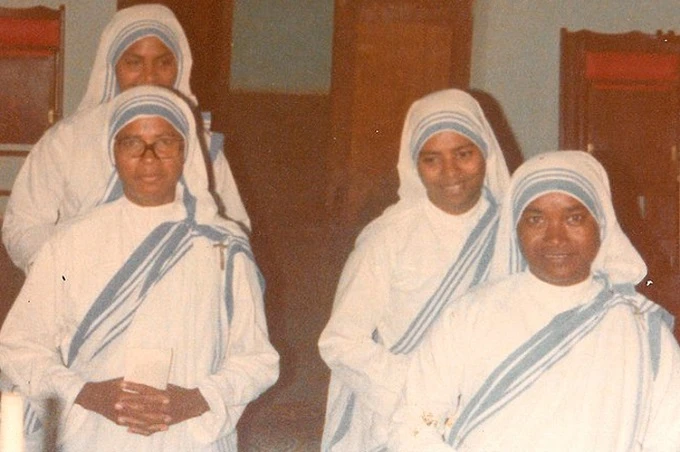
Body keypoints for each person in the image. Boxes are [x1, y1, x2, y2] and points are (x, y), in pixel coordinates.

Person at [0, 86, 279, 451]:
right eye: (132, 143)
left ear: (185, 151)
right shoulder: (70, 242)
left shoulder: (222, 245)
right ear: (113, 153)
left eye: (164, 142)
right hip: (94, 436)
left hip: (191, 438)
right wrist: (85, 393)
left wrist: (198, 399)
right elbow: (19, 346)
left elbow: (258, 360)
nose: (149, 158)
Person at [389, 151, 680, 451]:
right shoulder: (470, 314)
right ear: (516, 227)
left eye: (574, 218)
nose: (555, 238)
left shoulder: (641, 328)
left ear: (601, 224)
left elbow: (671, 434)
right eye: (536, 219)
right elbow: (412, 422)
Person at [318, 89, 510, 451]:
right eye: (432, 159)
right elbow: (341, 342)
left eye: (464, 154)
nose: (450, 172)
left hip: (489, 408)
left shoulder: (513, 231)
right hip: (403, 410)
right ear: (414, 164)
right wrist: (423, 391)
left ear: (485, 151)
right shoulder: (389, 236)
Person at [2, 3, 249, 272]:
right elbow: (22, 226)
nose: (150, 77)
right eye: (134, 62)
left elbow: (234, 231)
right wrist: (74, 267)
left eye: (164, 62)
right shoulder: (67, 141)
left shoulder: (203, 147)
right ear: (112, 67)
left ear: (179, 66)